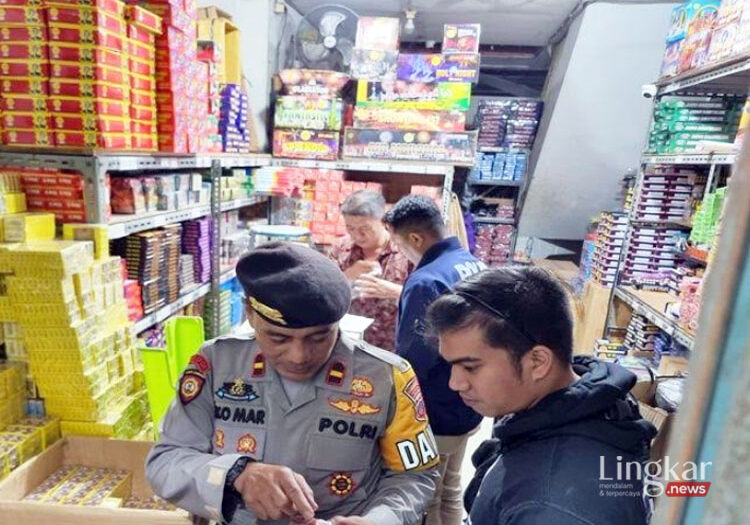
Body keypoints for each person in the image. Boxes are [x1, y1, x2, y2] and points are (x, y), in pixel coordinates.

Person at [146, 242, 440, 525]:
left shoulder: (387, 377)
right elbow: (165, 461)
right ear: (249, 312)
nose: (299, 356)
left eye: (319, 337)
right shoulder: (216, 364)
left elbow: (415, 475)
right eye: (278, 338)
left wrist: (379, 520)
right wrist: (237, 474)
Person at [427, 266, 657, 525]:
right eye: (451, 365)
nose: (455, 383)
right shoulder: (549, 412)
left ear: (538, 362)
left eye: (470, 367)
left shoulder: (553, 507)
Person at [383, 195, 486, 525]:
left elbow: (413, 360)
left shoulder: (426, 281)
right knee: (451, 488)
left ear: (415, 238)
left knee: (423, 497)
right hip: (468, 402)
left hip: (434, 410)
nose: (402, 254)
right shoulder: (471, 262)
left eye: (399, 246)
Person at [329, 190, 411, 351]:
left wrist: (395, 292)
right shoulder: (341, 249)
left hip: (392, 348)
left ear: (383, 221)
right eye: (350, 228)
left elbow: (429, 299)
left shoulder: (407, 252)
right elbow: (322, 294)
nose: (357, 236)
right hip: (345, 345)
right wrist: (346, 277)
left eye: (365, 228)